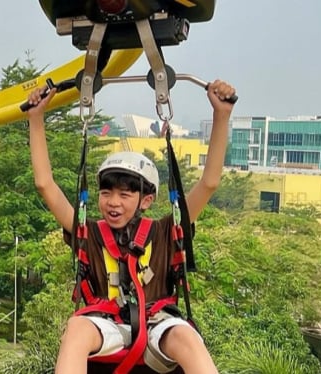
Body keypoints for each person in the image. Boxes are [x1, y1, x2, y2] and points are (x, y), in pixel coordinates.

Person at [26, 79, 236, 374]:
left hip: (158, 324)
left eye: (125, 195)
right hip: (106, 324)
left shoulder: (164, 232)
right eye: (106, 193)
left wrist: (221, 115)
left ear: (146, 200)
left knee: (187, 336)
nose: (113, 203)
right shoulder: (90, 234)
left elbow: (209, 182)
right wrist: (36, 119)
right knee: (75, 329)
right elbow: (44, 184)